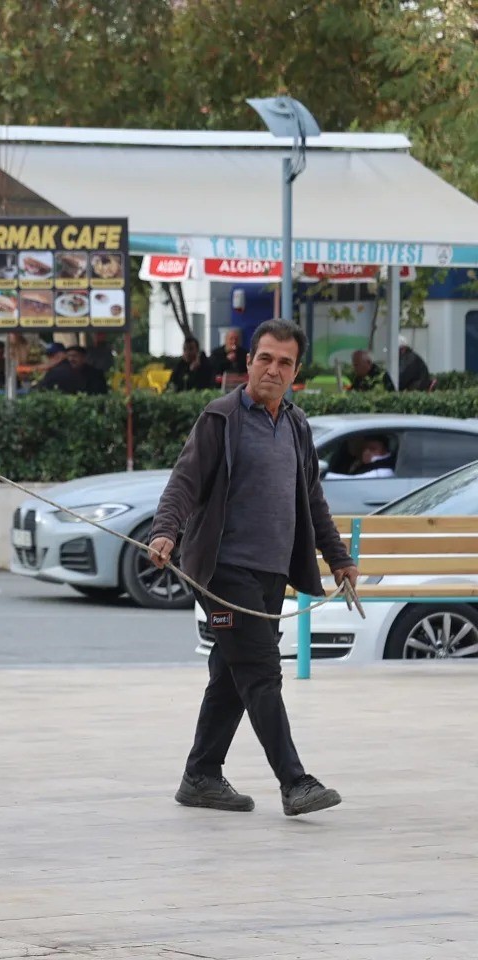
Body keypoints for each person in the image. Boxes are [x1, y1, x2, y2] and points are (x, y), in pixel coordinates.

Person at [148, 319, 357, 818]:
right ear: (248, 363)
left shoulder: (296, 425)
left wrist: (341, 559)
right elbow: (184, 482)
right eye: (265, 358)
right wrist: (165, 531)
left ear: (296, 372)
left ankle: (200, 776)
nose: (273, 369)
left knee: (231, 674)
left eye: (285, 362)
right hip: (223, 572)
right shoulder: (220, 418)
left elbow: (312, 501)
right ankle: (295, 782)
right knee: (262, 671)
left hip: (270, 575)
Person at [37, 343, 108, 395]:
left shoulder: (95, 374)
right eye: (69, 356)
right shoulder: (57, 373)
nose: (71, 359)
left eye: (75, 356)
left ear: (84, 358)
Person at [328, 436, 397, 480]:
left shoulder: (384, 471)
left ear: (386, 451)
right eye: (365, 448)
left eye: (373, 449)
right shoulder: (359, 463)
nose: (367, 452)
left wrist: (326, 476)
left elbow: (351, 480)